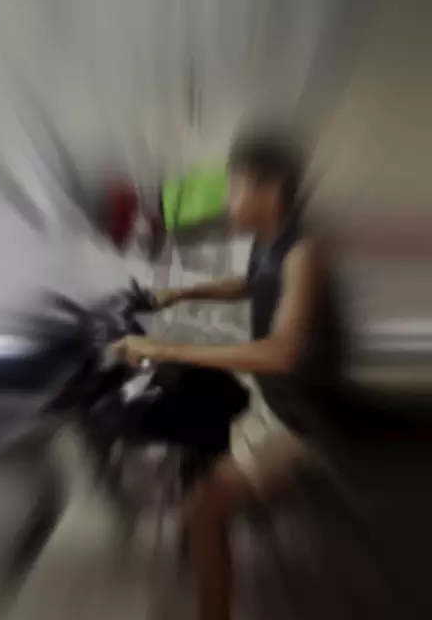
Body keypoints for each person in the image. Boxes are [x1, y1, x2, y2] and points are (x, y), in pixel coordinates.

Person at [113, 129, 347, 516]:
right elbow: (248, 283)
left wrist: (163, 348)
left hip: (294, 414)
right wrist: (181, 293)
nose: (226, 200)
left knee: (203, 510)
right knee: (195, 395)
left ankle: (246, 489)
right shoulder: (268, 240)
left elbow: (281, 352)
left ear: (269, 190)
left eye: (234, 187)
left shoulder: (304, 252)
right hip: (270, 389)